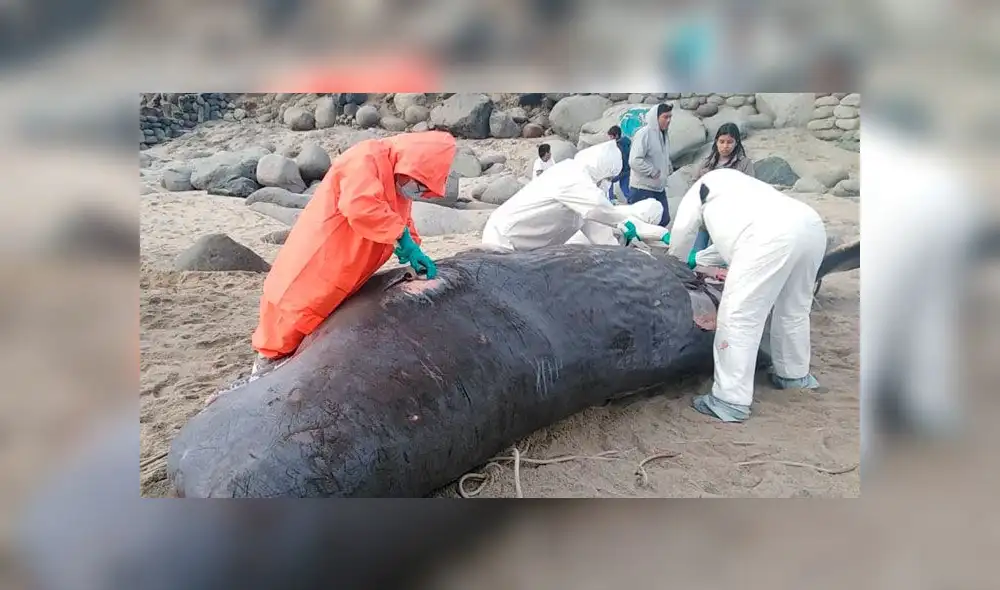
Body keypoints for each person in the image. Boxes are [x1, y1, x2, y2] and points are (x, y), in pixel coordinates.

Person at [249, 131, 457, 380]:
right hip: (318, 259)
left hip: (346, 268)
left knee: (317, 330)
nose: (419, 191)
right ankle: (260, 376)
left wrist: (413, 247)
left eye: (425, 189)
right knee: (289, 322)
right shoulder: (365, 158)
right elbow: (360, 206)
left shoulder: (397, 179)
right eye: (420, 184)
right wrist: (400, 237)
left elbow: (401, 217)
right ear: (410, 164)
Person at [668, 168, 827, 423]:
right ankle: (794, 376)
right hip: (811, 225)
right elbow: (731, 243)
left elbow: (682, 233)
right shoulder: (739, 187)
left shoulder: (698, 191)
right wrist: (697, 259)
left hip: (769, 235)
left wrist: (672, 264)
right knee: (794, 309)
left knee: (739, 316)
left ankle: (729, 400)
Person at [482, 141, 665, 251]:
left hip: (524, 247)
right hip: (504, 239)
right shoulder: (572, 175)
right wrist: (625, 222)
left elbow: (600, 234)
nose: (607, 182)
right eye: (608, 177)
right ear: (604, 169)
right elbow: (597, 207)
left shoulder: (583, 193)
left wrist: (633, 252)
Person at [688, 122, 756, 265]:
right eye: (722, 141)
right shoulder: (706, 164)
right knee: (696, 258)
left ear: (736, 143)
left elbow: (750, 190)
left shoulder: (744, 164)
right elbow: (693, 187)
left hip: (727, 222)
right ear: (716, 142)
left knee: (719, 260)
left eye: (730, 142)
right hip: (704, 220)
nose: (725, 146)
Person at [628, 103, 673, 226]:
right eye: (665, 117)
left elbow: (661, 155)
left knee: (664, 219)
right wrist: (652, 171)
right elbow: (634, 160)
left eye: (670, 117)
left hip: (658, 188)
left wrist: (668, 166)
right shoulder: (644, 134)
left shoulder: (664, 134)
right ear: (656, 117)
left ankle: (651, 244)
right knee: (642, 223)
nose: (668, 120)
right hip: (643, 188)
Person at [606, 125, 631, 203]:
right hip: (627, 170)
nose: (610, 139)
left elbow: (620, 160)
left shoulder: (618, 146)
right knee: (624, 188)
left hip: (621, 170)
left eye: (611, 136)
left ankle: (611, 200)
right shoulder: (626, 143)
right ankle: (633, 201)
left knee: (608, 180)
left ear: (616, 136)